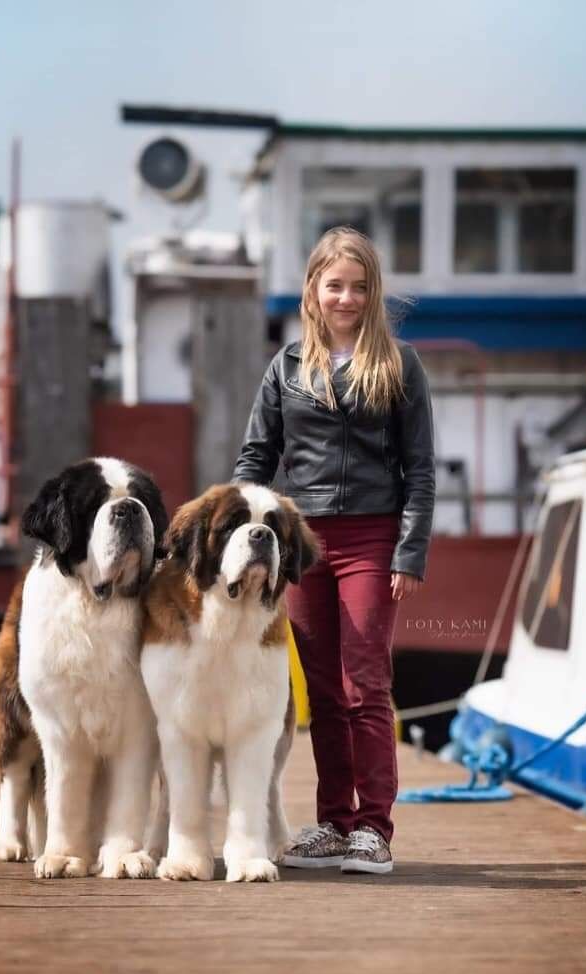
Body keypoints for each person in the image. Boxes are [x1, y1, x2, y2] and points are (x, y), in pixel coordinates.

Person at [231, 226, 435, 875]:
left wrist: (409, 552)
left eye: (359, 286)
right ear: (313, 291)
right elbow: (256, 458)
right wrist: (247, 538)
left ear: (372, 293)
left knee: (364, 683)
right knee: (320, 688)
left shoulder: (399, 364)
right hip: (303, 545)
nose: (346, 296)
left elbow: (421, 469)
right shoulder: (287, 366)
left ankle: (373, 827)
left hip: (374, 538)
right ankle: (333, 822)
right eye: (335, 284)